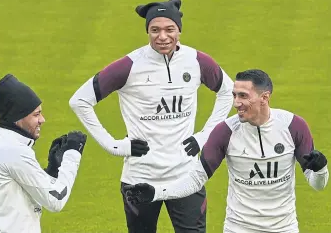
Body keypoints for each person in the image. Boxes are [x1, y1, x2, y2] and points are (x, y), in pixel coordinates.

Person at [69, 0, 234, 233]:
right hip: (140, 177)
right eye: (154, 30)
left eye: (169, 29)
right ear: (147, 31)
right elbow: (80, 101)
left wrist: (204, 136)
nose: (163, 37)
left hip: (186, 176)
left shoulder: (197, 61)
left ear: (179, 30)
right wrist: (114, 146)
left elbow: (228, 93)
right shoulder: (129, 65)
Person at [124, 69, 329, 233]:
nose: (236, 103)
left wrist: (321, 169)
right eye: (234, 95)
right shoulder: (225, 131)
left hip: (284, 228)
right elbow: (196, 179)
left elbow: (317, 185)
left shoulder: (293, 126)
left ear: (264, 97)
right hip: (238, 227)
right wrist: (156, 193)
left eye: (243, 96)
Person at [0, 74, 88, 233]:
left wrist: (52, 171)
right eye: (36, 114)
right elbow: (55, 200)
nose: (42, 120)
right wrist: (72, 154)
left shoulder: (2, 145)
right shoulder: (13, 151)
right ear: (17, 118)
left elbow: (29, 191)